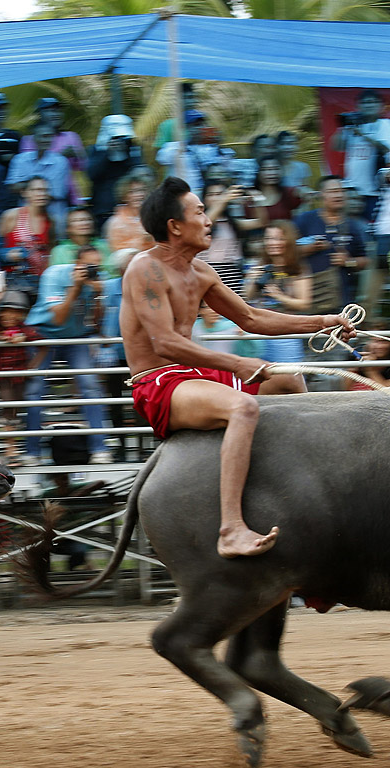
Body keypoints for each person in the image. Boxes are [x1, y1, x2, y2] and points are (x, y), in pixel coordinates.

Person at [120, 176, 355, 557]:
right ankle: (230, 528)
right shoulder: (144, 269)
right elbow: (164, 343)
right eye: (199, 212)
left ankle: (304, 489)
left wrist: (325, 321)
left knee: (289, 379)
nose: (209, 219)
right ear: (175, 226)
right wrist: (238, 362)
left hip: (194, 375)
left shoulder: (201, 272)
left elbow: (251, 318)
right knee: (242, 407)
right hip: (159, 382)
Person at [25, 244, 113, 465]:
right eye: (89, 266)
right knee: (35, 390)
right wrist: (75, 287)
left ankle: (99, 449)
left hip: (77, 338)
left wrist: (99, 297)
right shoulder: (54, 275)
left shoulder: (96, 281)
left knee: (91, 385)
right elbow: (58, 319)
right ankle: (32, 452)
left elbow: (97, 323)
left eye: (97, 266)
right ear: (77, 264)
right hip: (45, 336)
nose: (94, 271)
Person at [294, 175, 368, 310]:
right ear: (321, 195)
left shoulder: (352, 225)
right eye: (333, 191)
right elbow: (286, 251)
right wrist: (308, 249)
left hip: (342, 300)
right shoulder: (305, 220)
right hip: (308, 296)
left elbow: (365, 260)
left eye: (341, 191)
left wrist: (348, 261)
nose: (338, 195)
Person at [0, 291, 39, 466]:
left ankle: (12, 451)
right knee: (7, 409)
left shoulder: (25, 330)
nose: (10, 316)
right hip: (3, 377)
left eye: (15, 312)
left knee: (13, 410)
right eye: (6, 311)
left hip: (19, 377)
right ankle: (10, 450)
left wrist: (31, 366)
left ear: (22, 314)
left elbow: (43, 344)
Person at [243, 221, 311, 363]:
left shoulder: (298, 268)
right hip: (258, 331)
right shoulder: (260, 264)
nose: (273, 243)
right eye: (269, 238)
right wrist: (251, 279)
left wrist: (279, 296)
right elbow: (246, 297)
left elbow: (304, 303)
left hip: (285, 332)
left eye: (279, 238)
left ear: (288, 241)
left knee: (289, 377)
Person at [332, 89, 390, 220]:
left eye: (372, 102)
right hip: (352, 190)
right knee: (349, 229)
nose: (368, 105)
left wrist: (362, 134)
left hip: (374, 191)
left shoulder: (385, 125)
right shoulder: (353, 123)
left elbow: (386, 148)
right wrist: (342, 127)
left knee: (373, 229)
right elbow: (337, 146)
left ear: (381, 106)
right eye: (365, 102)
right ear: (358, 106)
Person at [6, 123, 70, 235]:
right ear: (34, 138)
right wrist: (41, 186)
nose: (47, 139)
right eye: (43, 136)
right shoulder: (19, 160)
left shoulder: (61, 161)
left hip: (54, 217)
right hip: (24, 218)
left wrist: (26, 185)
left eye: (50, 136)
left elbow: (55, 193)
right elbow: (12, 187)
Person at [87, 115, 142, 227]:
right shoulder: (96, 151)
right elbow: (91, 174)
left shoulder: (133, 150)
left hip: (129, 211)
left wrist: (126, 153)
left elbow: (139, 174)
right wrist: (107, 153)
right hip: (103, 211)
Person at [0, 175, 53, 281]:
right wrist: (7, 254)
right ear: (25, 193)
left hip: (42, 279)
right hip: (14, 278)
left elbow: (51, 252)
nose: (41, 194)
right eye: (36, 190)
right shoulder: (12, 216)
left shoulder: (51, 221)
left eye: (45, 190)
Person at [105, 174, 152, 253]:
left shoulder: (155, 216)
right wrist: (142, 239)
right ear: (124, 196)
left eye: (142, 190)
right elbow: (118, 252)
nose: (139, 195)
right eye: (132, 192)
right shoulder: (116, 222)